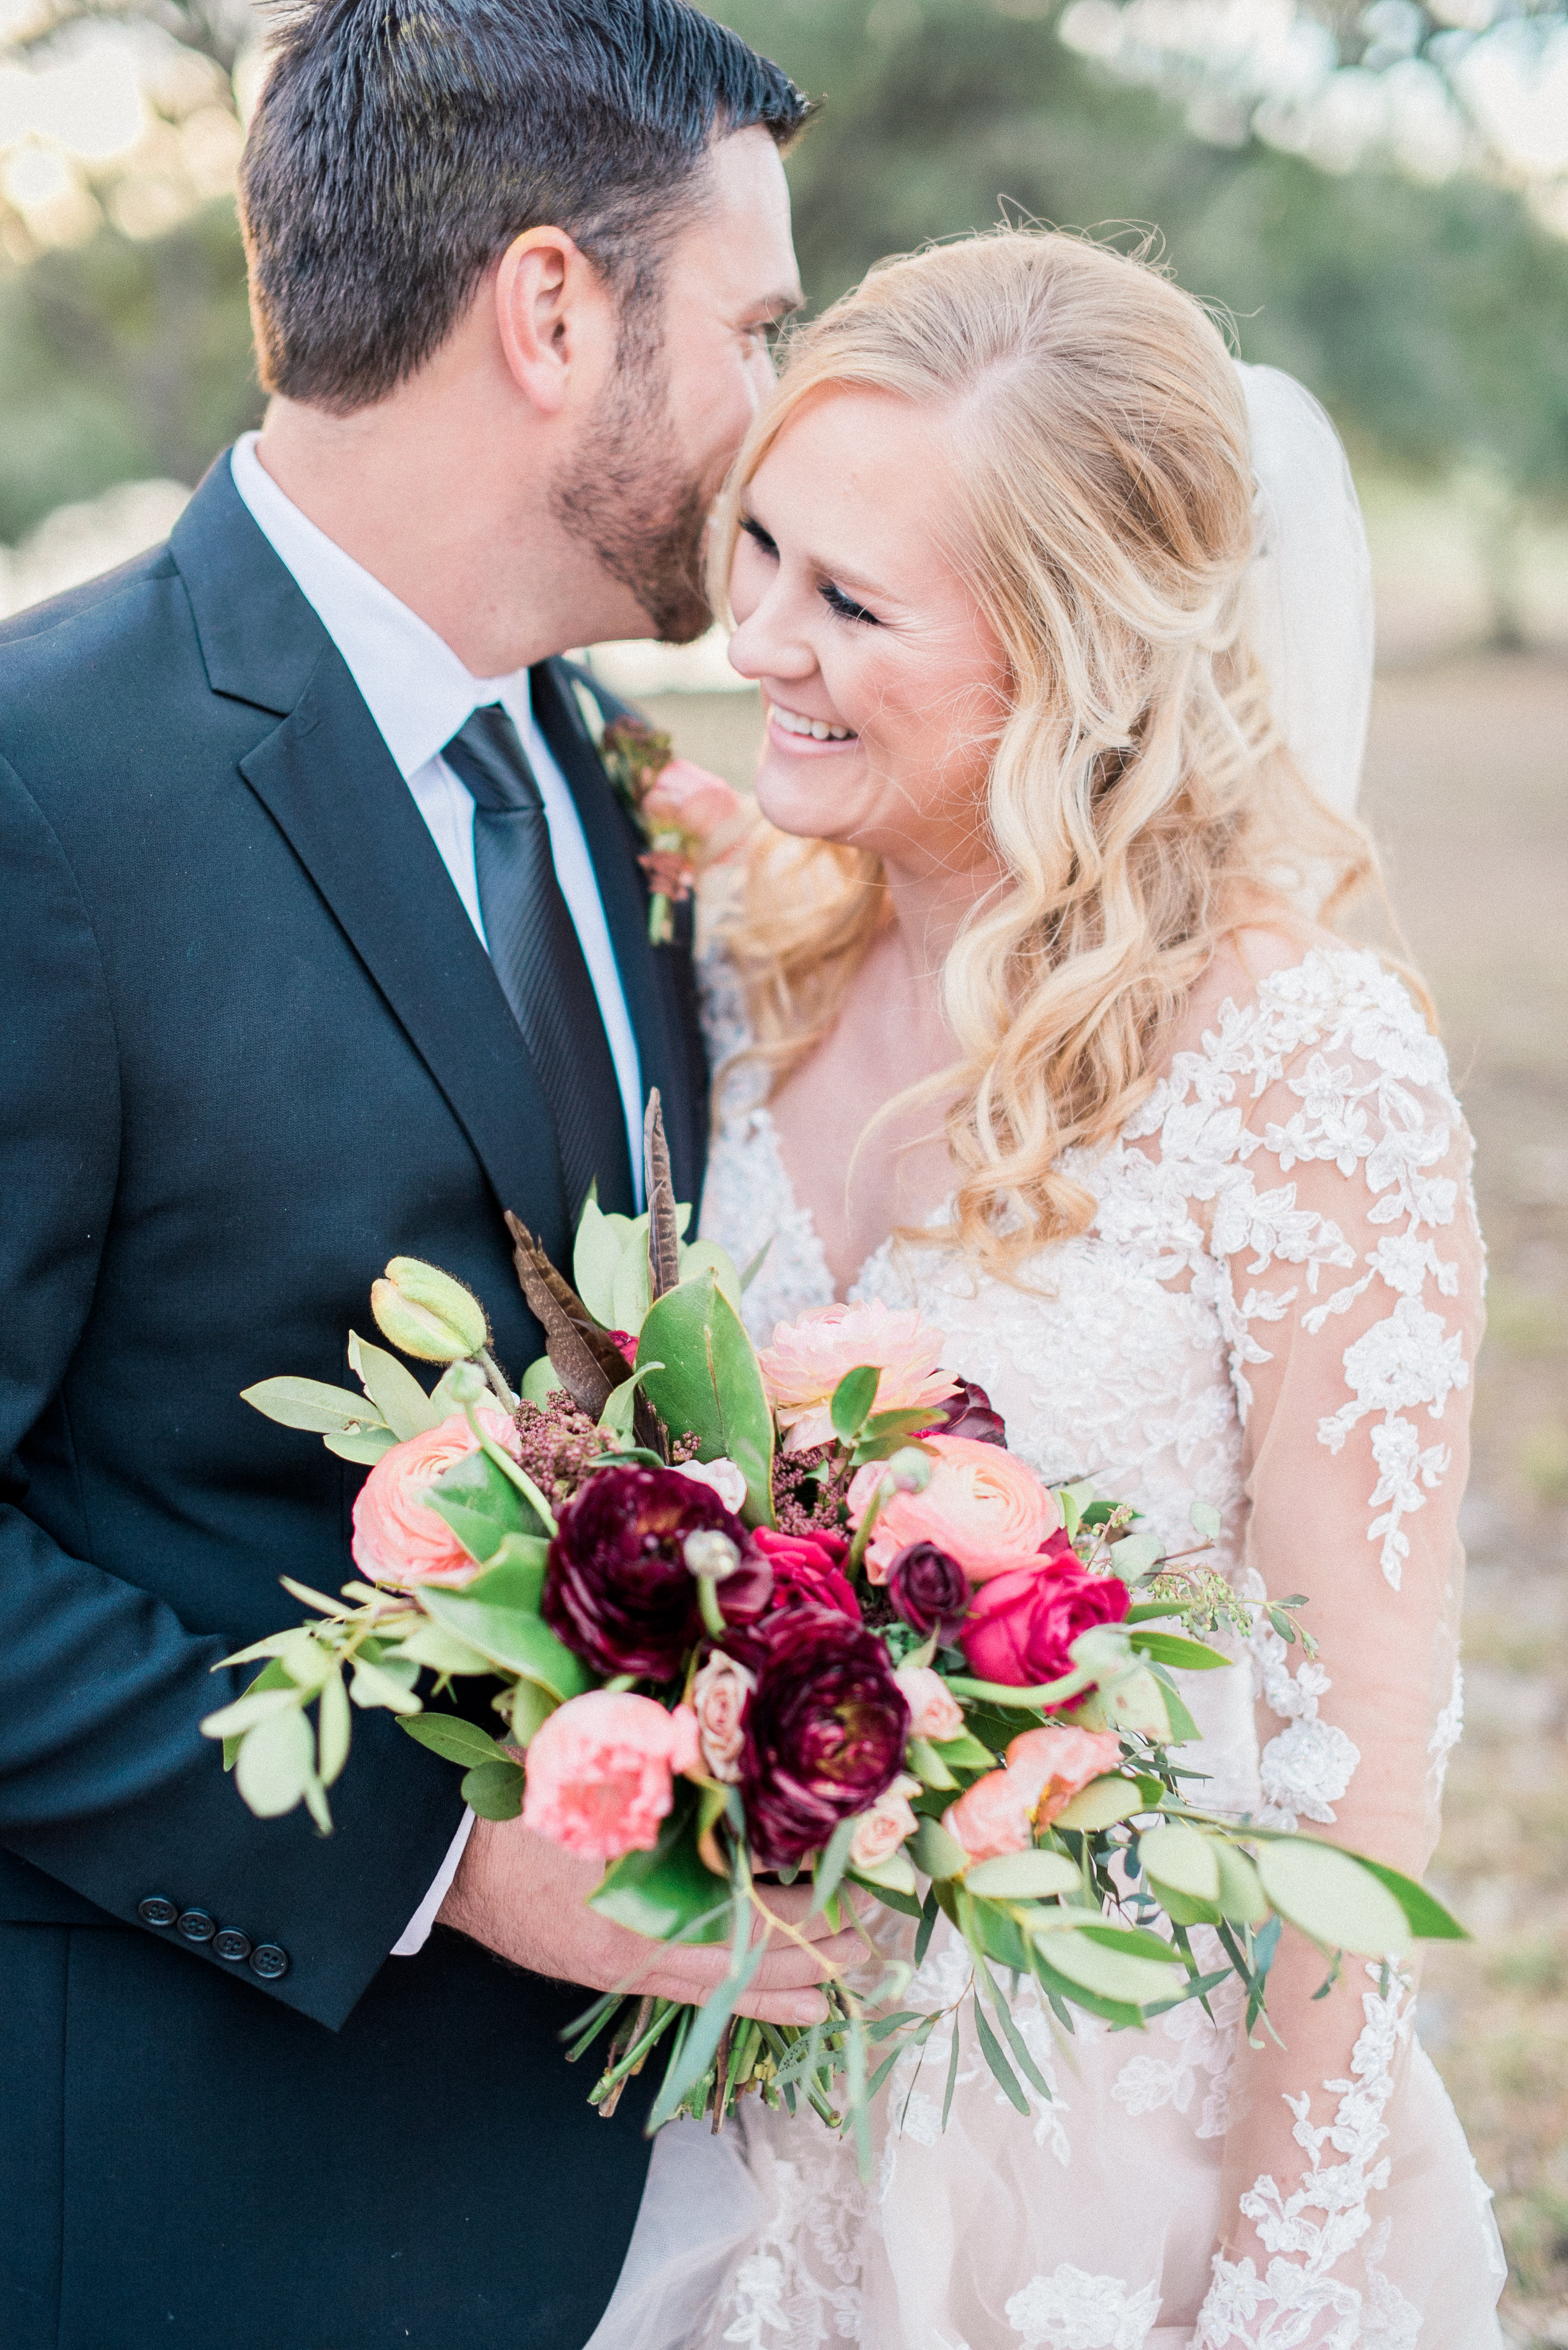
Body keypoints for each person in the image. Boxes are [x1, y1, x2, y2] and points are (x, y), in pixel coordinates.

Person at [0, 7, 872, 2346]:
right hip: (200, 2208)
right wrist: (450, 1859)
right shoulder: (40, 785)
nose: (780, 402)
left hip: (644, 2213)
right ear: (558, 311)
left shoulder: (605, 769)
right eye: (759, 322)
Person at [644, 229, 1503, 2346]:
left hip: (1112, 2152)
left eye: (849, 605)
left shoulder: (1301, 1067)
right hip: (715, 2126)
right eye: (760, 549)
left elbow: (1350, 1757)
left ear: (1078, 653)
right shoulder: (739, 968)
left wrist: (1277, 2284)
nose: (754, 638)